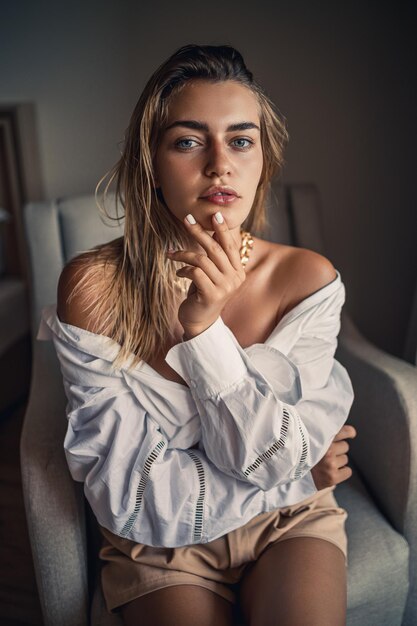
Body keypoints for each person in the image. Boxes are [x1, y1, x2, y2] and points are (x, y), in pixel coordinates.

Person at [40, 44, 357, 625]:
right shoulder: (94, 289)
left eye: (241, 140)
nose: (220, 164)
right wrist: (294, 475)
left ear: (264, 157)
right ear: (151, 162)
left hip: (291, 524)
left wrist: (203, 331)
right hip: (160, 549)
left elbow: (268, 461)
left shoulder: (306, 279)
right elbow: (133, 499)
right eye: (188, 141)